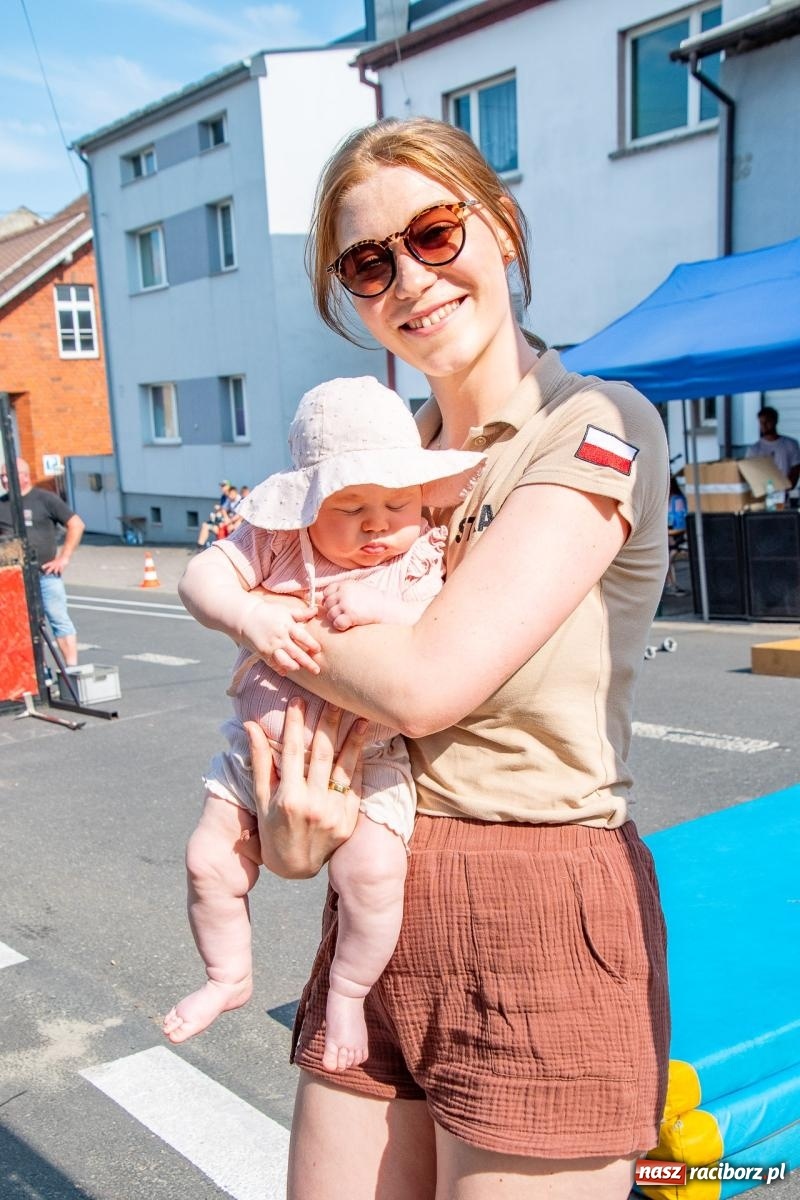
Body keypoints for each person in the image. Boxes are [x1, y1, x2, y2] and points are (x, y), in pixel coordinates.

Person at [179, 116, 671, 1200]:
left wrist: (264, 620)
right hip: (384, 887)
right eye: (369, 263)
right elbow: (311, 700)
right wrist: (293, 833)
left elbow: (420, 685)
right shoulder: (377, 452)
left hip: (536, 899)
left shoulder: (592, 422)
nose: (409, 278)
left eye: (434, 233)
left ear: (501, 228)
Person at [165, 375, 483, 1074]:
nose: (377, 525)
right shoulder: (276, 542)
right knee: (207, 861)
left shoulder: (421, 555)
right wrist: (248, 614)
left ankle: (347, 992)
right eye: (350, 507)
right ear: (306, 505)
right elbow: (198, 579)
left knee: (373, 873)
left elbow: (445, 628)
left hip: (368, 757)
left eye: (397, 504)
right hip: (255, 751)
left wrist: (384, 612)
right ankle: (227, 975)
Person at [0, 457, 85, 667]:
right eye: (1, 476)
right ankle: (38, 672)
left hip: (45, 574)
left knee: (58, 619)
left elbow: (76, 524)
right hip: (14, 579)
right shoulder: (2, 504)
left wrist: (63, 558)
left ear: (25, 476)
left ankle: (71, 670)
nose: (4, 480)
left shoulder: (44, 499)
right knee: (23, 626)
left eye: (8, 475)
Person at [747, 406, 800, 507]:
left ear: (775, 421)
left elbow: (796, 469)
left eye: (767, 422)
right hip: (762, 499)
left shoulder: (790, 444)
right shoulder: (754, 449)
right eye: (761, 422)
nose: (764, 425)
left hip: (785, 498)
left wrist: (784, 488)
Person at [665, 474, 688, 595]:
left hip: (678, 537)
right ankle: (670, 584)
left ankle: (672, 585)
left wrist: (666, 532)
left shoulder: (677, 500)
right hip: (670, 536)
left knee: (667, 559)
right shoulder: (667, 501)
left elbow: (681, 526)